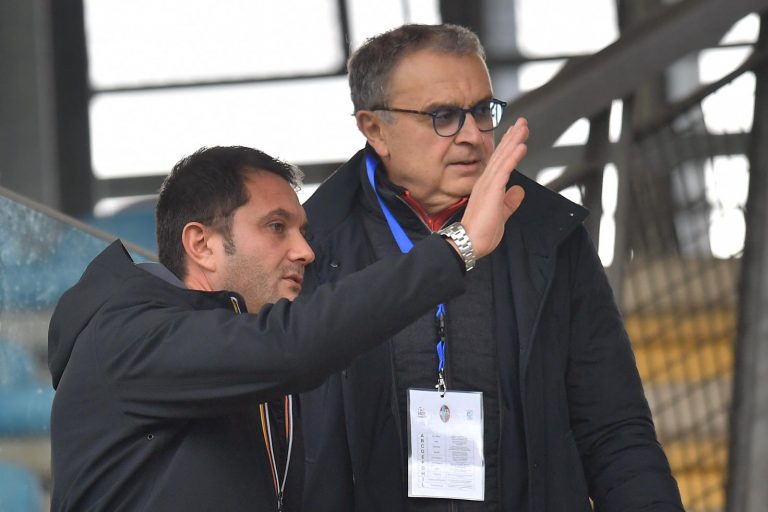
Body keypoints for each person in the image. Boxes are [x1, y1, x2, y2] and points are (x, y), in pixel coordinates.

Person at [299, 24, 684, 511]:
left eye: (482, 111)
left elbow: (615, 432)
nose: (472, 136)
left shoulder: (551, 235)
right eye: (443, 116)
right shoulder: (310, 250)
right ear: (374, 129)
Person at [47, 138, 528, 512]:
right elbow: (294, 345)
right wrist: (457, 247)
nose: (305, 251)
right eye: (277, 227)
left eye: (302, 231)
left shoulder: (239, 354)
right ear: (202, 244)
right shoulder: (127, 336)